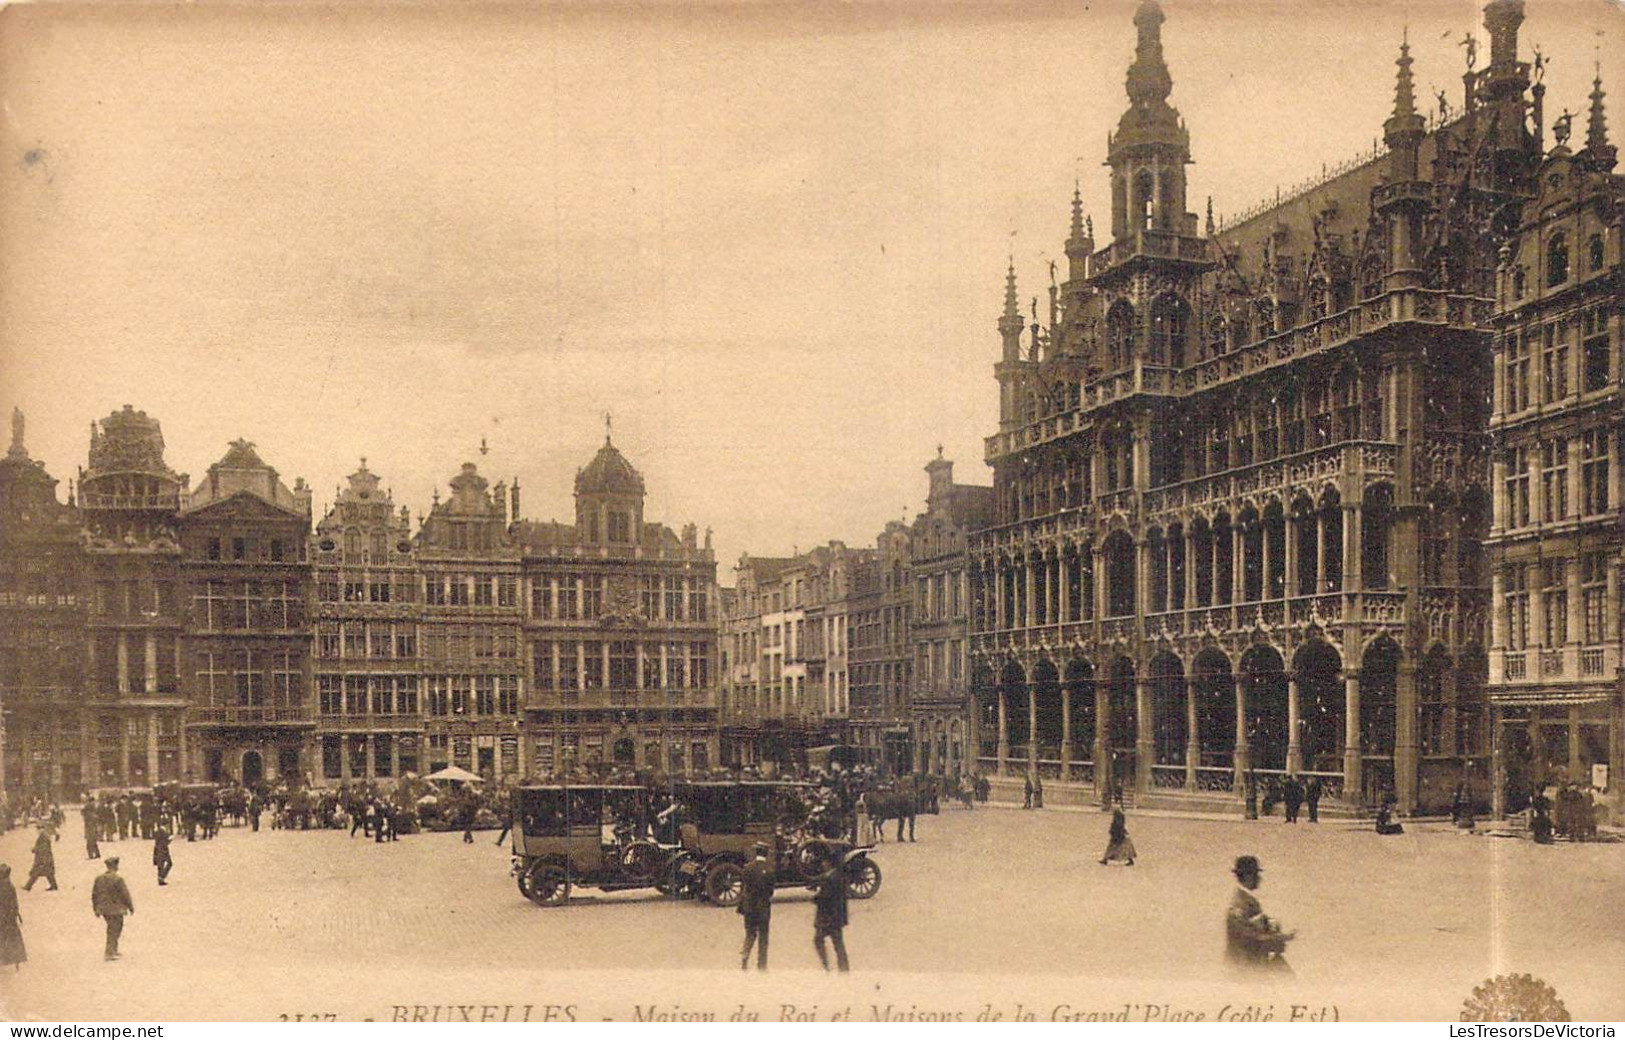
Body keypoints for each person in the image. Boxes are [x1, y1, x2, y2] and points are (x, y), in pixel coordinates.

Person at [1225, 855, 1293, 973]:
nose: (1259, 878)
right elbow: (1248, 935)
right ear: (1247, 875)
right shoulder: (1239, 904)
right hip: (1243, 967)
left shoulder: (1248, 901)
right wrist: (1278, 938)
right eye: (1256, 874)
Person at [738, 842, 774, 971]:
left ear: (756, 853)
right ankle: (762, 965)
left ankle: (745, 956)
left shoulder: (747, 868)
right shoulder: (770, 870)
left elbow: (744, 887)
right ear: (766, 854)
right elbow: (770, 892)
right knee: (763, 937)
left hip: (749, 908)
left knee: (750, 934)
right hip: (763, 909)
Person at [809, 862, 850, 972]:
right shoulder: (837, 876)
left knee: (818, 940)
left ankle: (827, 965)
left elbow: (825, 897)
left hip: (827, 918)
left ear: (828, 864)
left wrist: (815, 899)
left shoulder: (830, 879)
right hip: (837, 918)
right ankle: (844, 968)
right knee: (838, 944)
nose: (823, 864)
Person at [91, 857, 134, 961]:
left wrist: (95, 908)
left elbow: (94, 895)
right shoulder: (118, 879)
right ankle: (110, 951)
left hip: (104, 909)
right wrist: (130, 907)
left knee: (111, 928)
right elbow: (125, 895)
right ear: (116, 866)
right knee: (115, 929)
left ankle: (113, 949)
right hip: (116, 909)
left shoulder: (99, 878)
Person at [0, 865, 24, 970]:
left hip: (3, 917)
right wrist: (16, 913)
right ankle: (15, 959)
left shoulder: (3, 886)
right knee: (13, 939)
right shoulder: (10, 886)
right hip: (9, 918)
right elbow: (14, 902)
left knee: (4, 938)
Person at [22, 827, 57, 892]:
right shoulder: (44, 836)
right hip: (46, 858)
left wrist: (34, 849)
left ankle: (28, 886)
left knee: (36, 873)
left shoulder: (43, 837)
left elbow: (43, 848)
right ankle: (54, 886)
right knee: (48, 873)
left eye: (39, 829)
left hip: (43, 859)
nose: (37, 831)